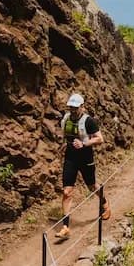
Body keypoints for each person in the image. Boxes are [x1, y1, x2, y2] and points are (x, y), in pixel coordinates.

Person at [56, 92, 110, 240]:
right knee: (67, 191)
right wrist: (63, 146)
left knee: (92, 186)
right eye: (70, 107)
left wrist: (84, 143)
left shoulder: (89, 121)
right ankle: (65, 226)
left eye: (75, 107)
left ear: (82, 107)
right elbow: (66, 136)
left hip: (86, 158)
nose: (73, 110)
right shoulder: (66, 119)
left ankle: (104, 203)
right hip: (70, 158)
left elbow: (100, 139)